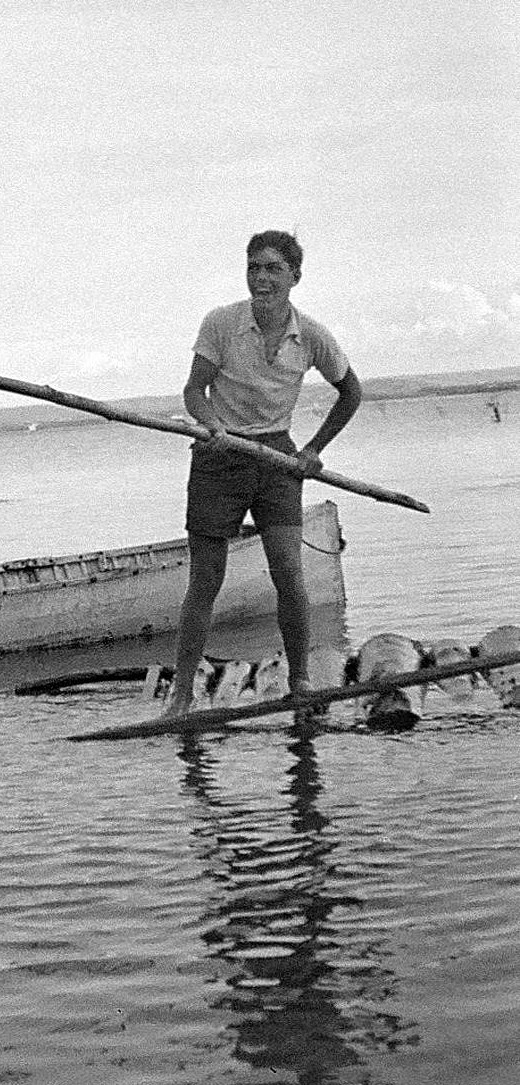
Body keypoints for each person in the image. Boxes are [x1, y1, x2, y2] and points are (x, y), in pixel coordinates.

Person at [160, 232, 362, 719]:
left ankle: (300, 684)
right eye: (254, 267)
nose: (262, 278)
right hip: (219, 457)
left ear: (295, 276)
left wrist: (313, 450)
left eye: (273, 268)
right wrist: (212, 427)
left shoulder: (311, 335)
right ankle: (182, 695)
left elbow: (350, 392)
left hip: (277, 459)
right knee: (206, 582)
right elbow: (194, 391)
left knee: (289, 575)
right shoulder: (222, 324)